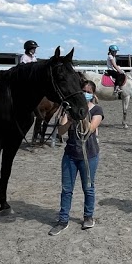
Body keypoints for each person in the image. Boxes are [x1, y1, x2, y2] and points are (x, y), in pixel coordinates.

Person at [49, 80, 103, 235]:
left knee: (88, 188)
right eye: (83, 90)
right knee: (66, 189)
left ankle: (88, 216)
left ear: (92, 94)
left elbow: (90, 129)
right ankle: (63, 220)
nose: (85, 93)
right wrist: (70, 118)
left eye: (88, 91)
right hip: (70, 155)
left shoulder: (97, 110)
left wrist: (81, 114)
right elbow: (60, 132)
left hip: (89, 155)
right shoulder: (69, 111)